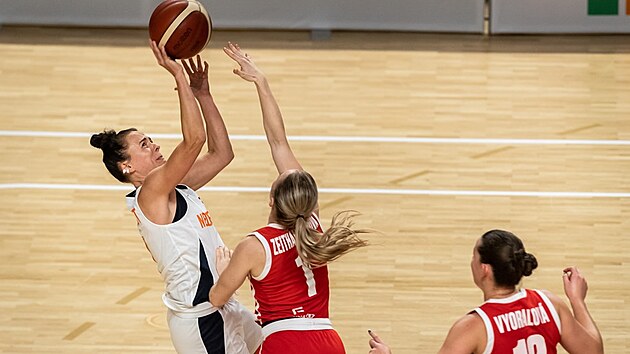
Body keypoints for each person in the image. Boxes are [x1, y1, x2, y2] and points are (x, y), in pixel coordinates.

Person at [90, 41, 262, 354]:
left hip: (225, 304)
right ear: (126, 166)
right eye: (144, 145)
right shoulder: (150, 193)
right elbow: (194, 139)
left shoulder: (176, 187)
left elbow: (222, 153)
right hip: (201, 320)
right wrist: (179, 77)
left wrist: (203, 94)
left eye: (151, 140)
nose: (154, 146)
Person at [207, 42, 371, 354]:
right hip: (329, 340)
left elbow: (217, 298)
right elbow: (279, 142)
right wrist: (261, 83)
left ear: (271, 199)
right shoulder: (313, 226)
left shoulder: (254, 245)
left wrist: (222, 269)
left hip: (284, 342)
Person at [368, 229, 604, 354]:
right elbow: (593, 351)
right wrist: (577, 300)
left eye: (473, 256)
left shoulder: (473, 327)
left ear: (484, 269)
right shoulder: (549, 303)